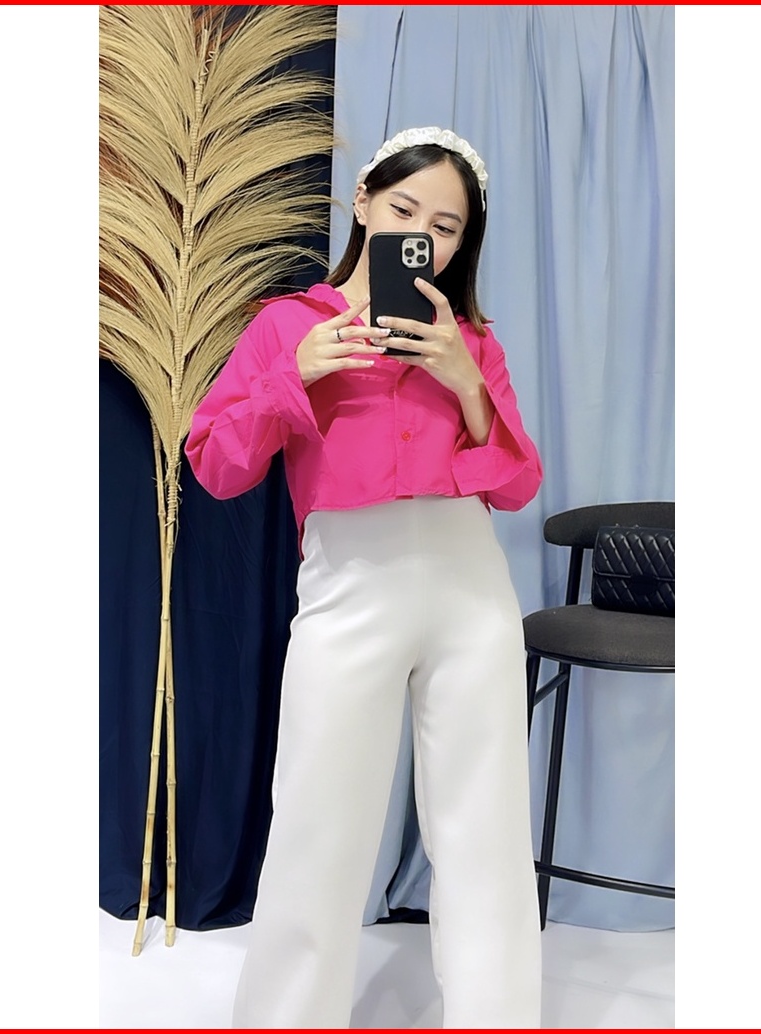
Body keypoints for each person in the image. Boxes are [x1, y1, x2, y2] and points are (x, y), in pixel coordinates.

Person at [185, 126, 543, 1029]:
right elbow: (215, 463)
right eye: (404, 209)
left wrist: (465, 381)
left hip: (471, 593)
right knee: (317, 827)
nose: (421, 233)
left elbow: (517, 484)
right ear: (363, 203)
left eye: (446, 227)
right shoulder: (288, 326)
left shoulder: (470, 342)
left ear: (461, 244)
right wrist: (294, 375)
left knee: (487, 834)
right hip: (349, 590)